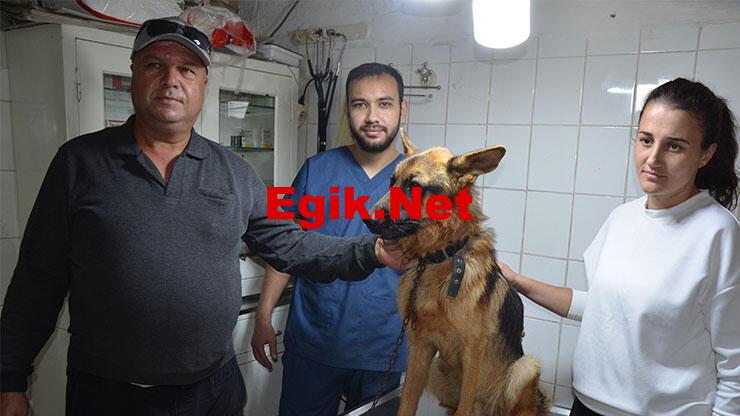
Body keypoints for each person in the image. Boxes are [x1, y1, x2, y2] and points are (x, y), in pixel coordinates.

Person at [0, 19, 403, 416]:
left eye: (187, 69)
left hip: (212, 391)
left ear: (203, 85)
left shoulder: (233, 172)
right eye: (155, 65)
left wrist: (372, 251)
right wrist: (10, 379)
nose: (171, 80)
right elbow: (37, 280)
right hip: (109, 393)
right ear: (134, 73)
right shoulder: (80, 163)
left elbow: (291, 244)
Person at [499, 78, 739, 415]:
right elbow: (605, 308)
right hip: (586, 405)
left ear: (706, 154)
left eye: (674, 146)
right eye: (646, 140)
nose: (653, 158)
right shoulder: (622, 218)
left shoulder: (719, 234)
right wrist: (516, 281)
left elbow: (735, 362)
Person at [250, 63, 409, 416]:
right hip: (314, 344)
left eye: (384, 104)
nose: (372, 116)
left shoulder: (420, 182)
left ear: (402, 110)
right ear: (347, 111)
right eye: (360, 104)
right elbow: (283, 247)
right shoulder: (315, 169)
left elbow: (446, 264)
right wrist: (263, 316)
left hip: (384, 351)